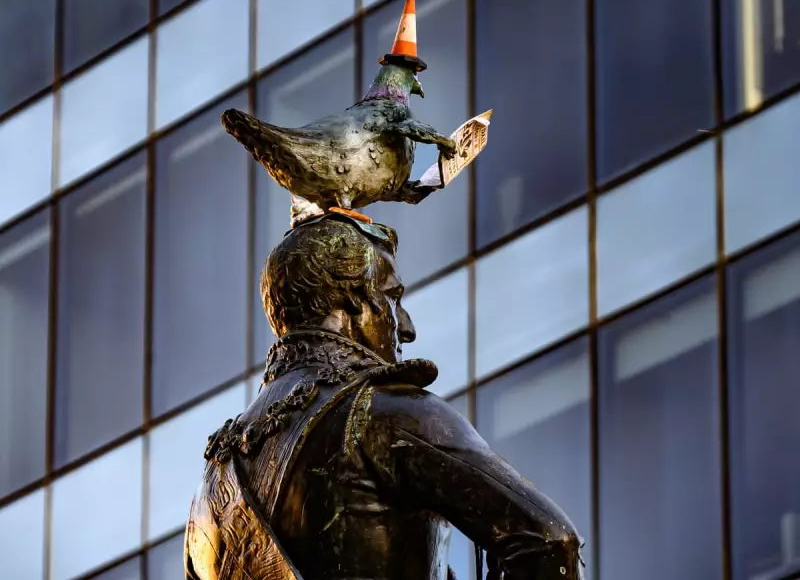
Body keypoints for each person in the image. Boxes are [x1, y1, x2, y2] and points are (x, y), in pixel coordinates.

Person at [184, 213, 584, 580]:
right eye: (392, 298)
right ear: (354, 300)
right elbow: (550, 540)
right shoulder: (388, 412)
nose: (405, 328)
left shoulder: (211, 483)